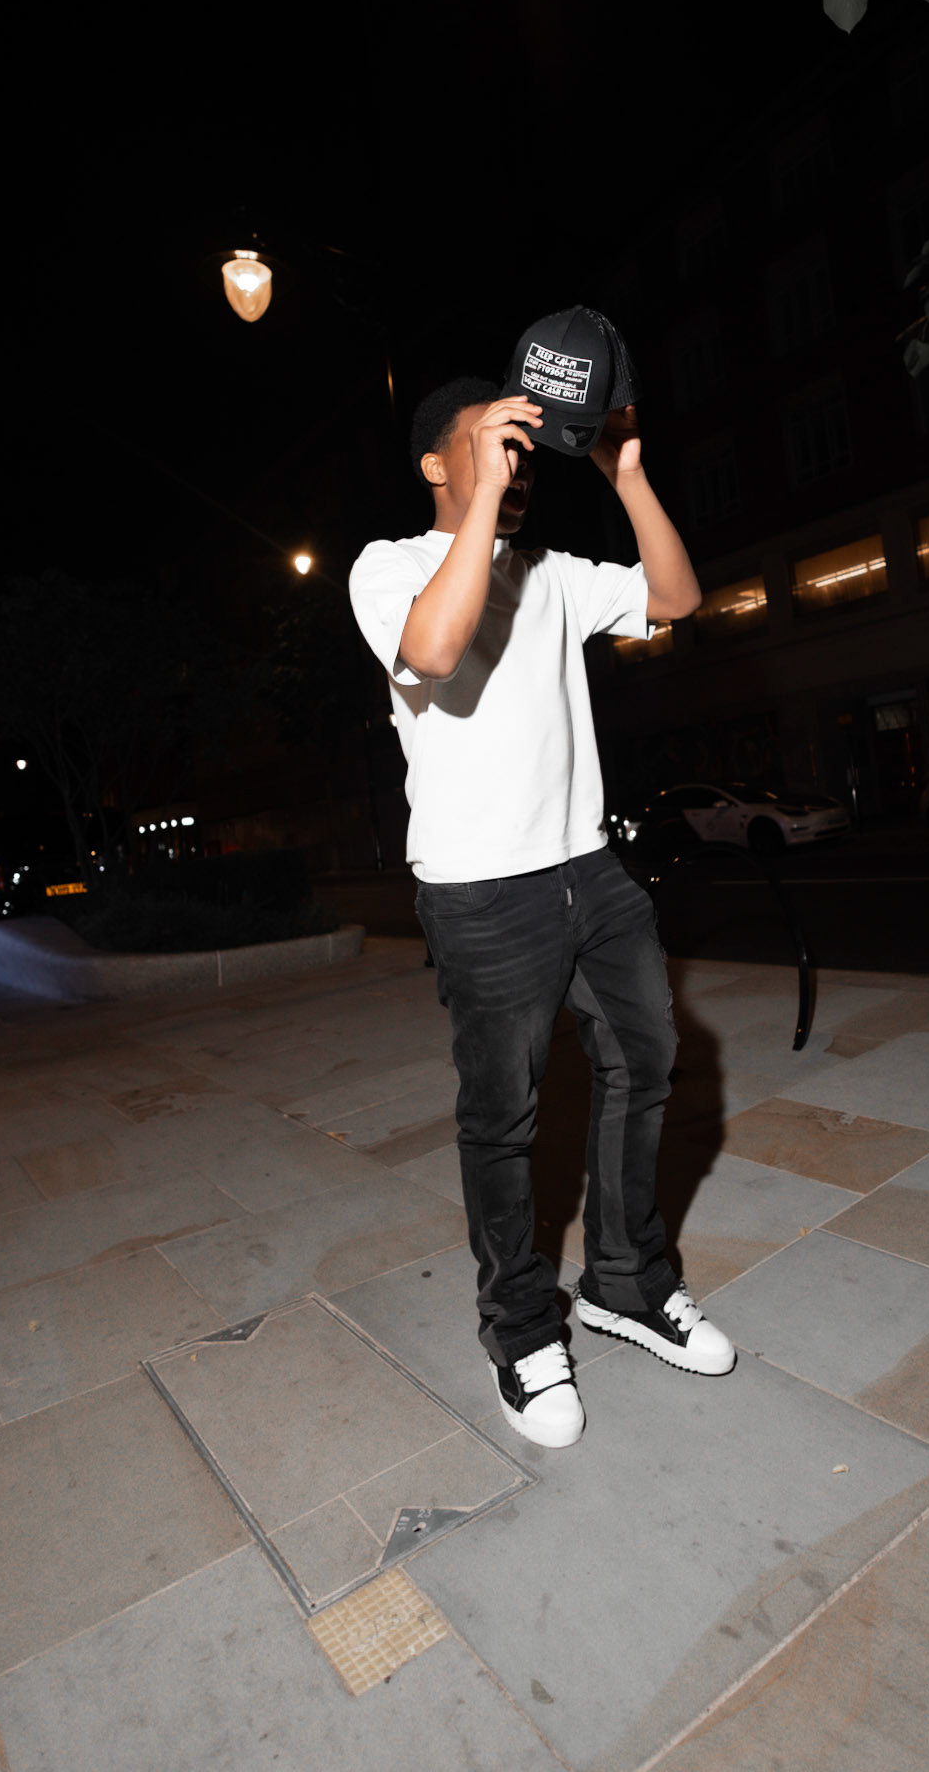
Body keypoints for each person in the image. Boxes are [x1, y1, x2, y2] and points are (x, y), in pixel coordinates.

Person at [348, 374, 736, 1449]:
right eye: (491, 442)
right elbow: (433, 652)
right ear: (437, 463)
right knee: (504, 1115)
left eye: (522, 448)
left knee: (646, 1062)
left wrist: (627, 475)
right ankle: (521, 1330)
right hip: (480, 889)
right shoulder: (390, 567)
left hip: (589, 871)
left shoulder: (553, 574)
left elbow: (676, 599)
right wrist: (484, 495)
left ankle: (625, 1283)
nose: (515, 464)